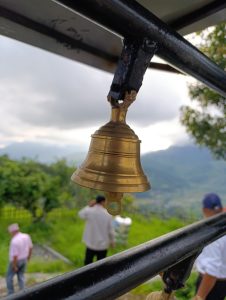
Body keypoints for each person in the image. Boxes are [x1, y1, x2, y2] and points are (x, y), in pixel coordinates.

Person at [193, 193, 226, 300]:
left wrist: (200, 296)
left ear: (205, 210)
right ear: (221, 207)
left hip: (211, 285)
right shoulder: (223, 222)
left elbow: (212, 270)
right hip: (221, 283)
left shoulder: (213, 232)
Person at [78, 195, 115, 265]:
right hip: (103, 245)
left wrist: (89, 206)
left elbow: (80, 214)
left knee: (87, 265)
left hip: (91, 244)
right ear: (103, 202)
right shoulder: (108, 214)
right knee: (101, 266)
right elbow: (111, 231)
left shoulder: (89, 211)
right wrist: (112, 241)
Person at [6, 223, 33, 295]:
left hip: (15, 261)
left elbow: (15, 255)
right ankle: (23, 291)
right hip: (24, 259)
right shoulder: (26, 236)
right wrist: (29, 257)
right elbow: (30, 247)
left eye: (10, 232)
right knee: (21, 275)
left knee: (9, 277)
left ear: (13, 231)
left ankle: (10, 294)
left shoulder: (14, 241)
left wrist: (14, 266)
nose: (10, 234)